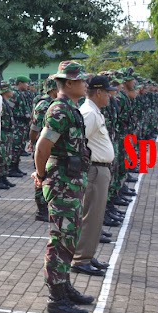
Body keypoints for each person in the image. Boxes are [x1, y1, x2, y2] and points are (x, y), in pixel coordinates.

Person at [32, 61, 93, 313]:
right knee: (60, 239)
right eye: (81, 80)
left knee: (69, 236)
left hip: (71, 181)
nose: (86, 84)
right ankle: (56, 298)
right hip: (62, 182)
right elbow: (42, 146)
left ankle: (64, 284)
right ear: (69, 83)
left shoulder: (71, 108)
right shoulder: (59, 110)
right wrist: (42, 174)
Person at [71, 74, 116, 276]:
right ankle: (81, 259)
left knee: (95, 217)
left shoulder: (94, 111)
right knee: (90, 216)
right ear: (98, 92)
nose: (110, 96)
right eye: (107, 92)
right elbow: (79, 142)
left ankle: (87, 255)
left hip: (101, 169)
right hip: (95, 170)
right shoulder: (88, 113)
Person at [29, 76, 58, 221]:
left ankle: (48, 206)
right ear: (53, 89)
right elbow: (34, 128)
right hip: (43, 145)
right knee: (41, 178)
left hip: (53, 146)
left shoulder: (57, 104)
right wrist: (32, 142)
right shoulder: (43, 105)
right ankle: (41, 210)